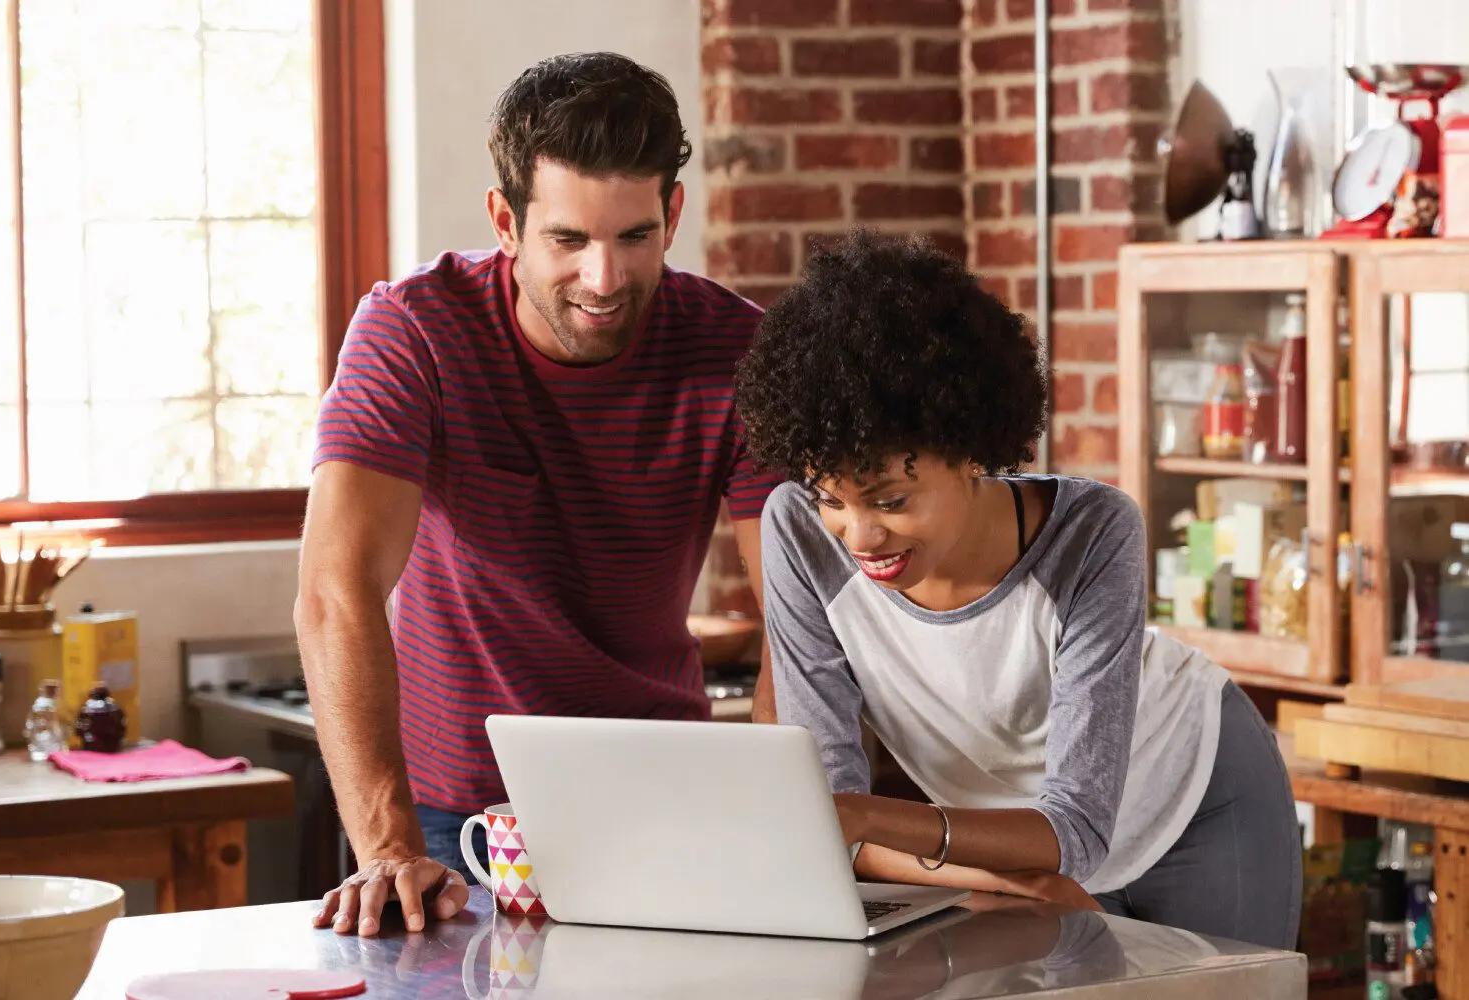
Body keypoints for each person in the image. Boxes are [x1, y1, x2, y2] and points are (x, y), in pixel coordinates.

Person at [297, 52, 780, 938]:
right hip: (447, 822)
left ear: (672, 214)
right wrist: (388, 845)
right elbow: (338, 592)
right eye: (568, 241)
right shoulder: (414, 330)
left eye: (634, 237)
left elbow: (803, 619)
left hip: (666, 804)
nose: (603, 280)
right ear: (506, 222)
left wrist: (772, 822)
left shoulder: (738, 348)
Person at [734, 229, 1302, 949]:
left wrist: (871, 820)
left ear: (970, 452)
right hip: (1009, 841)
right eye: (831, 498)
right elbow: (828, 819)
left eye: (891, 501)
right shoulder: (798, 531)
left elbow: (1075, 831)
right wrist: (992, 879)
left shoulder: (1094, 533)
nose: (858, 536)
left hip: (1197, 798)